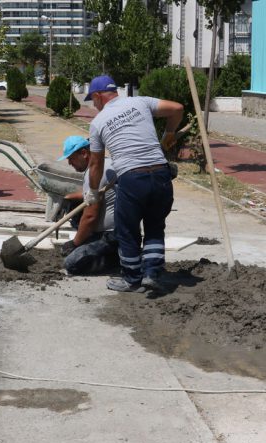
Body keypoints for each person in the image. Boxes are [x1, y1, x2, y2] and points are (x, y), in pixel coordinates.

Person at [84, 75, 184, 292]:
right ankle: (152, 273)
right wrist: (169, 133)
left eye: (93, 100)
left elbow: (95, 164)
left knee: (127, 230)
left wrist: (92, 192)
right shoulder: (140, 102)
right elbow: (177, 108)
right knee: (155, 225)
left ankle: (132, 279)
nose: (94, 105)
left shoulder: (98, 123)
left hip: (132, 178)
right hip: (161, 174)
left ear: (98, 96)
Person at [57, 135, 119, 275]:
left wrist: (75, 243)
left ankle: (118, 260)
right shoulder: (105, 163)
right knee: (74, 204)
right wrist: (68, 197)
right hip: (121, 230)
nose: (69, 163)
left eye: (71, 158)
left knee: (72, 264)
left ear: (84, 153)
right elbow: (91, 194)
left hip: (113, 235)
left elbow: (91, 215)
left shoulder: (95, 172)